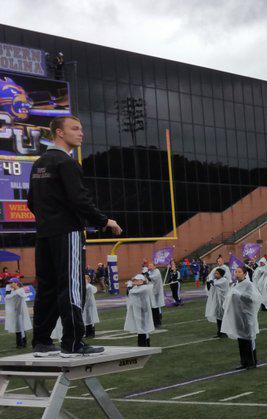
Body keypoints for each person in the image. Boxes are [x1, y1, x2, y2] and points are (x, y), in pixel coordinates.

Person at [27, 115, 122, 357]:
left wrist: (49, 218)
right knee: (71, 287)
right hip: (67, 233)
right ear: (59, 133)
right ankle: (73, 343)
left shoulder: (39, 163)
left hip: (44, 233)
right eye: (75, 128)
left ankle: (42, 342)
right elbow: (80, 200)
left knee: (47, 286)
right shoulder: (66, 163)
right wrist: (104, 221)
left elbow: (31, 202)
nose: (81, 133)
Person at [222, 266, 261, 369]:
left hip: (247, 317)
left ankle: (252, 362)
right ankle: (244, 362)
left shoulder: (249, 285)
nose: (237, 274)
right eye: (236, 272)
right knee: (241, 340)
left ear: (244, 274)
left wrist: (238, 294)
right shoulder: (235, 285)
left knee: (248, 339)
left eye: (239, 272)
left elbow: (252, 299)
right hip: (237, 316)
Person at [124, 274, 155, 347]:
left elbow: (132, 292)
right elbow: (129, 293)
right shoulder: (136, 287)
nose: (135, 281)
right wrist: (131, 285)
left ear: (142, 281)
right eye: (135, 280)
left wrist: (129, 286)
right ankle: (146, 344)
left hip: (143, 311)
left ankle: (143, 345)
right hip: (138, 310)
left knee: (142, 328)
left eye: (137, 280)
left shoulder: (144, 288)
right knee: (142, 328)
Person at [4, 278, 32, 348]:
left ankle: (21, 343)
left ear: (16, 283)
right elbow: (7, 297)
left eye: (11, 283)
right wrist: (8, 290)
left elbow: (18, 301)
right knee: (19, 327)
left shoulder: (19, 291)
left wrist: (17, 312)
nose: (10, 284)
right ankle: (22, 343)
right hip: (16, 312)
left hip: (20, 312)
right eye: (9, 283)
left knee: (20, 327)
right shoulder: (14, 291)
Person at [205, 267, 230, 337]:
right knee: (218, 318)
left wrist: (210, 281)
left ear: (221, 274)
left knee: (223, 318)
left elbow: (215, 284)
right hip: (217, 302)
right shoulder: (216, 280)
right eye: (215, 273)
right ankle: (219, 332)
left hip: (223, 302)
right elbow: (209, 289)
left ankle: (224, 333)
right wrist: (208, 283)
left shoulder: (224, 280)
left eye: (217, 273)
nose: (215, 275)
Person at [144, 263, 165, 327]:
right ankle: (153, 321)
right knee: (152, 307)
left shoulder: (157, 272)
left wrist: (146, 275)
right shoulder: (150, 272)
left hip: (156, 292)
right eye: (148, 266)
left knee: (155, 306)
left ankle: (157, 322)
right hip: (150, 292)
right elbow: (146, 280)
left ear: (154, 266)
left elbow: (152, 278)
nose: (149, 267)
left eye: (150, 266)